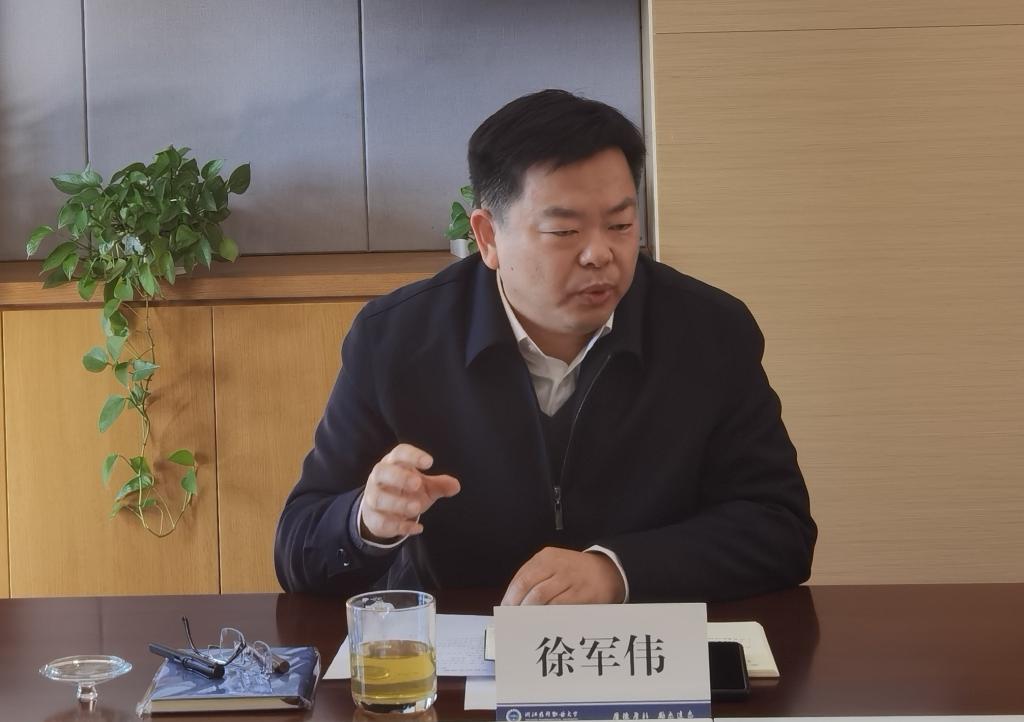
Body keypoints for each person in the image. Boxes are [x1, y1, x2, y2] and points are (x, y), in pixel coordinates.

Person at [274, 89, 816, 604]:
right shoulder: (395, 339)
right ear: (488, 237)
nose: (600, 254)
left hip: (642, 648)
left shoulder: (710, 332)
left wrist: (617, 571)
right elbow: (297, 550)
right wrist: (366, 521)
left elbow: (780, 528)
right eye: (564, 232)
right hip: (460, 649)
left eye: (621, 224)